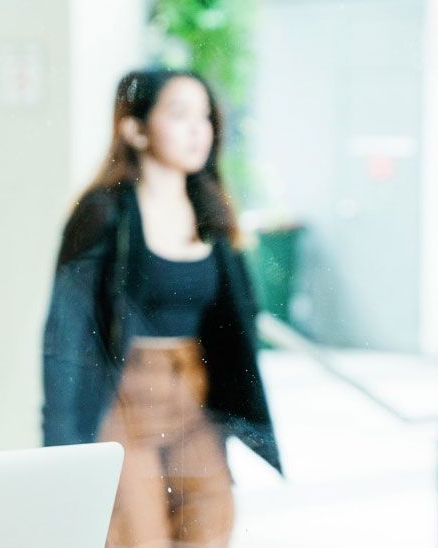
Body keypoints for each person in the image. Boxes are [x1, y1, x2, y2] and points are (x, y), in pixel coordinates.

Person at [41, 68, 283, 547]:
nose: (199, 130)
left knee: (212, 520)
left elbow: (237, 321)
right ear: (134, 129)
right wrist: (60, 442)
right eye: (179, 114)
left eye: (205, 116)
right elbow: (66, 334)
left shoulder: (212, 212)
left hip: (194, 395)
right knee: (137, 534)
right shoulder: (103, 213)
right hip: (123, 398)